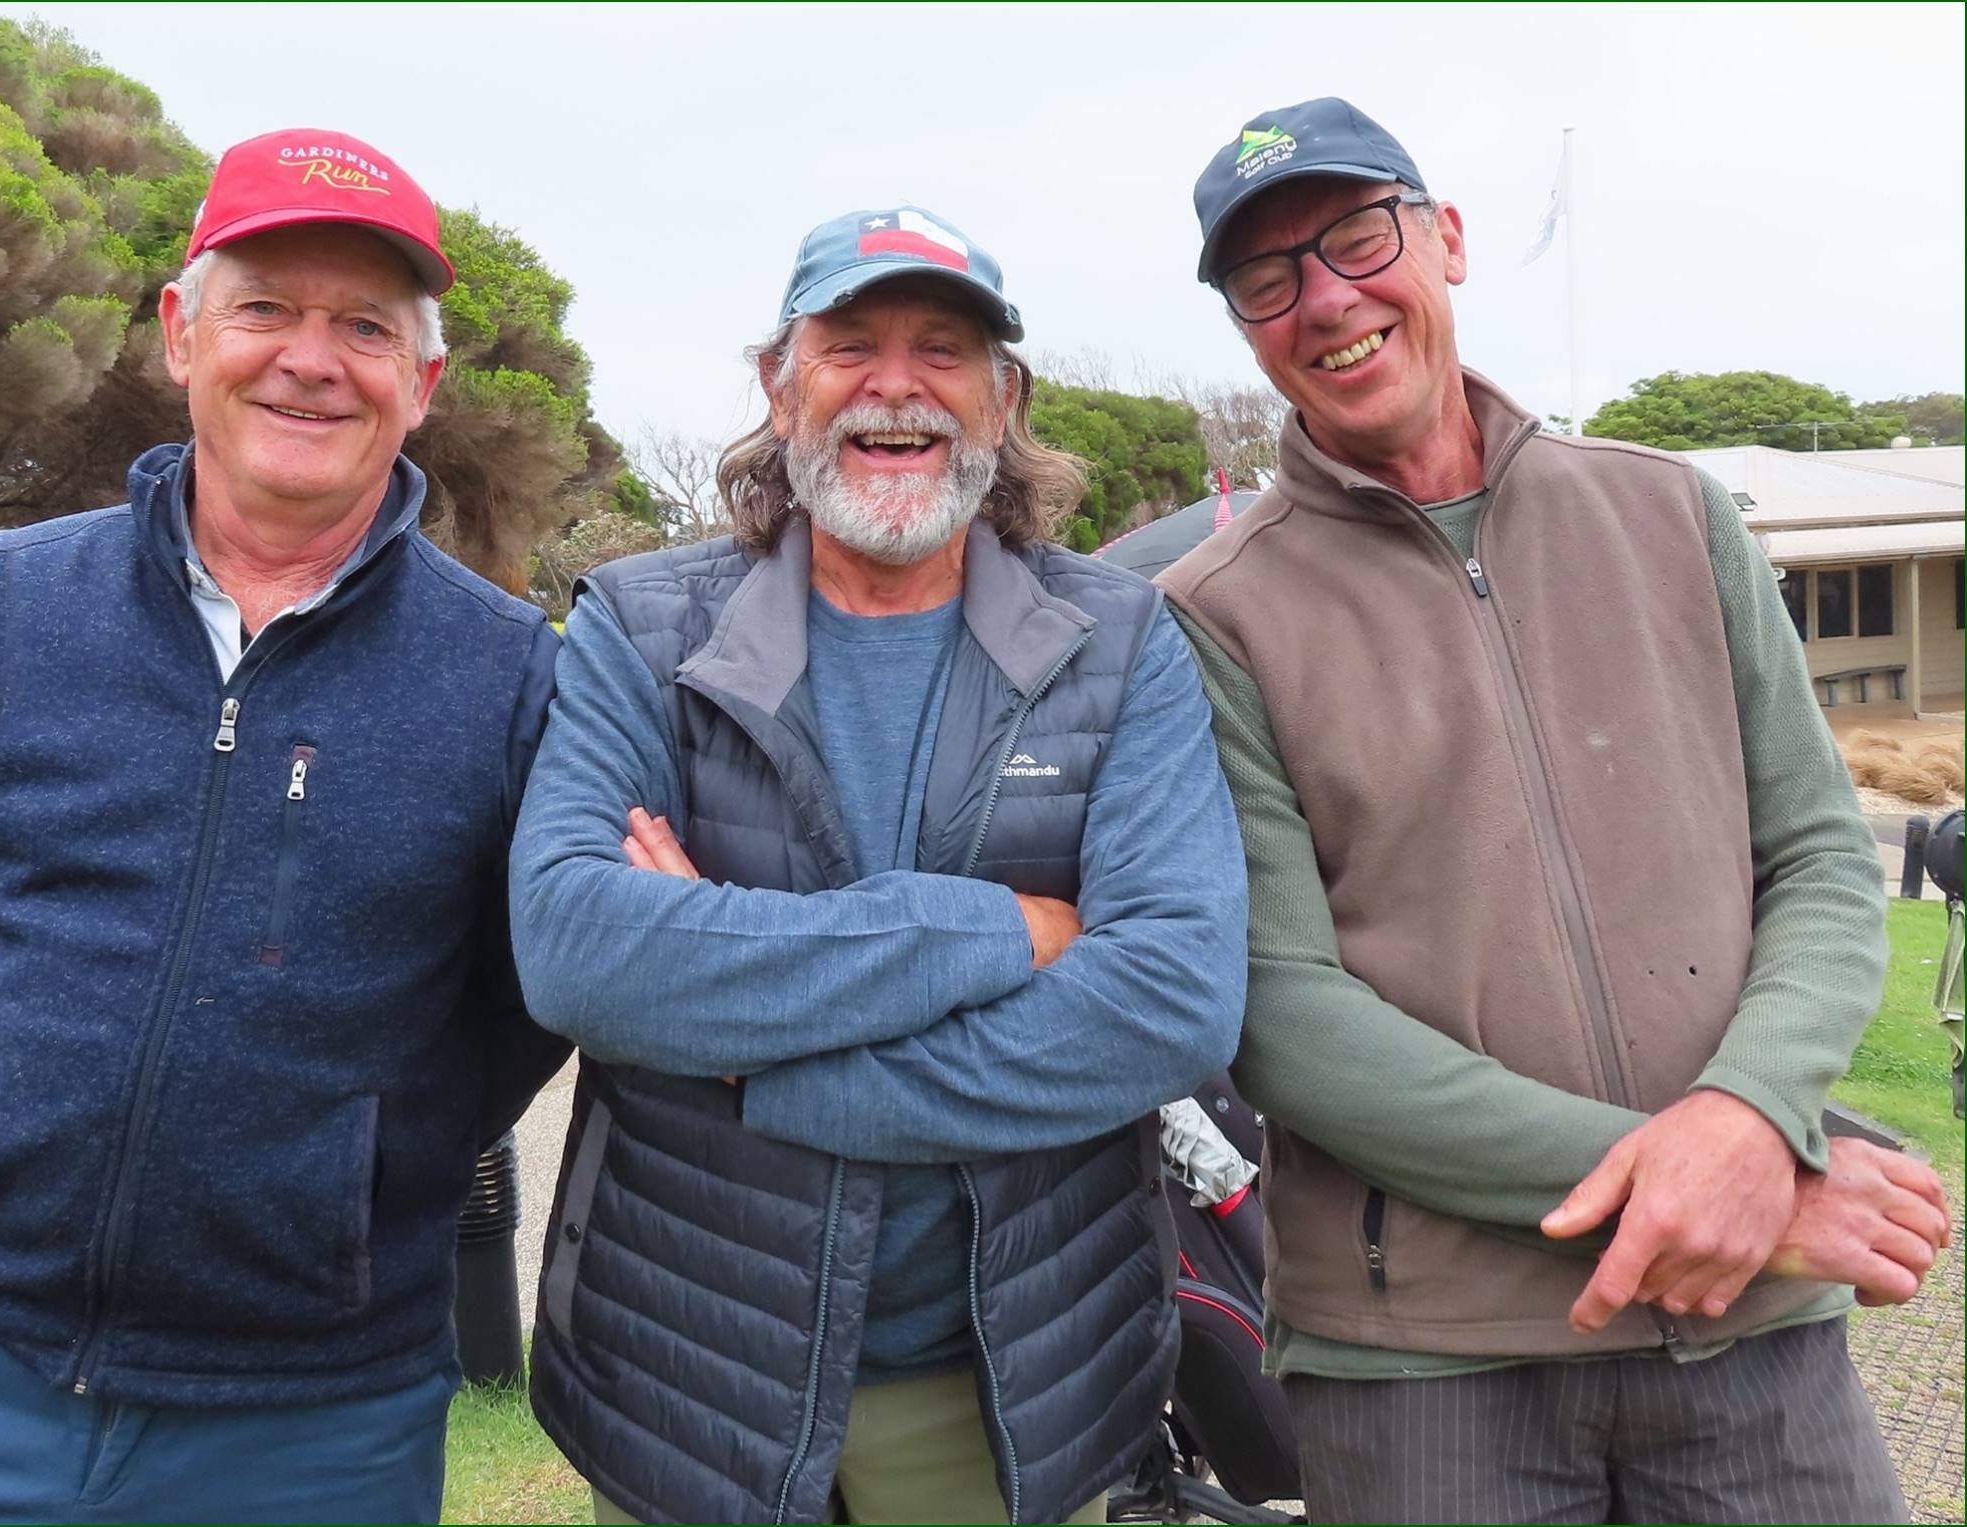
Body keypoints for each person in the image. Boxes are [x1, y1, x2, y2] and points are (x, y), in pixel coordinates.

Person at [1159, 97, 1952, 1523]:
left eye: (1354, 237)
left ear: (1443, 239)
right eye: (1266, 279)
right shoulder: (1206, 620)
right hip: (1424, 1371)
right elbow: (1277, 1009)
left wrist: (1742, 1117)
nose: (1325, 299)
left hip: (1745, 1336)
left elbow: (1821, 862)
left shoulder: (1673, 514)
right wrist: (1734, 1189)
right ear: (1244, 327)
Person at [0, 128, 565, 1525]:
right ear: (179, 333)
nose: (309, 357)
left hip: (313, 1420)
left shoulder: (512, 677)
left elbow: (522, 1007)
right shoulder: (1, 602)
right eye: (265, 308)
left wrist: (354, 1178)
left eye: (362, 325)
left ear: (422, 383)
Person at [507, 205, 1246, 1525]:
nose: (894, 386)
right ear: (777, 383)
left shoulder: (1120, 638)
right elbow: (575, 948)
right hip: (686, 1381)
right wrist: (999, 934)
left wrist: (761, 1056)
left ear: (1002, 396)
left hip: (1013, 1390)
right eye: (848, 343)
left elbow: (1168, 1003)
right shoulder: (638, 625)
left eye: (943, 350)